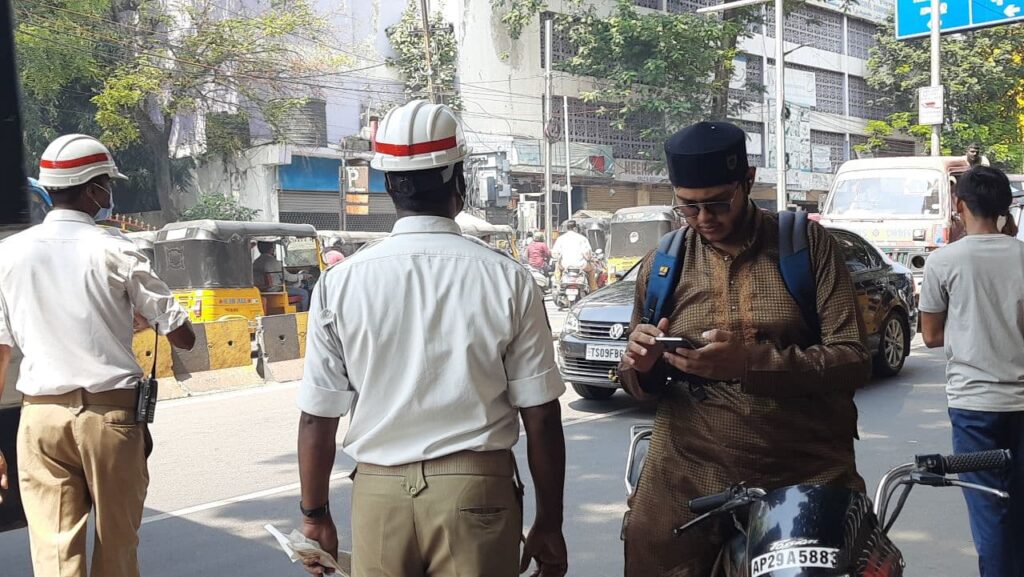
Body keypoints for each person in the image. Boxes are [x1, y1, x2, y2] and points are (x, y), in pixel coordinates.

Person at [295, 100, 568, 577]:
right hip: (477, 495)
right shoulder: (509, 279)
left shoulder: (339, 283)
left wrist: (315, 515)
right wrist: (549, 522)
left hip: (378, 497)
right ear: (458, 181)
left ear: (388, 184)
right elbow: (541, 417)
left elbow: (318, 417)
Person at [617, 121, 871, 577]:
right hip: (687, 465)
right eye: (688, 207)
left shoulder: (807, 247)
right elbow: (639, 383)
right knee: (646, 551)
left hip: (803, 464)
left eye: (717, 203)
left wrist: (751, 363)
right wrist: (641, 365)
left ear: (748, 182)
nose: (704, 218)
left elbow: (853, 357)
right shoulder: (665, 262)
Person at [0, 134, 196, 577]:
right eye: (107, 183)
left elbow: (1, 350)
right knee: (117, 548)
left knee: (52, 555)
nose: (109, 193)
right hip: (109, 419)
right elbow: (182, 336)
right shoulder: (116, 248)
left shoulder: (7, 254)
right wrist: (142, 317)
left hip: (40, 420)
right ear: (92, 188)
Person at [919, 166, 1024, 577]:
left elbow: (929, 336)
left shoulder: (943, 262)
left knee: (989, 510)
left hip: (974, 408)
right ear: (1004, 206)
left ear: (959, 205)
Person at [253, 240, 310, 312]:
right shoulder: (273, 261)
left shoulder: (255, 262)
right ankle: (305, 314)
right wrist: (302, 276)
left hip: (261, 291)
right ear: (272, 248)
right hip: (276, 290)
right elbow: (289, 277)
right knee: (304, 293)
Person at [552, 220, 596, 290]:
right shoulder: (582, 238)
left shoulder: (561, 238)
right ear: (575, 228)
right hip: (581, 265)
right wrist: (589, 259)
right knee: (592, 269)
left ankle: (558, 285)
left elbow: (555, 253)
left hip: (565, 265)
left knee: (557, 267)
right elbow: (587, 253)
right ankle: (593, 289)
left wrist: (559, 258)